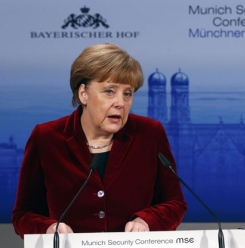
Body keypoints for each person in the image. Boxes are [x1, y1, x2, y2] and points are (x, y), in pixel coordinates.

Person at [12, 43, 187, 238]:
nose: (120, 103)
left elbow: (175, 203)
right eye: (109, 91)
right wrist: (48, 228)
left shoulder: (149, 134)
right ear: (83, 94)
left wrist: (146, 220)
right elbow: (23, 215)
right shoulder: (46, 138)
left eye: (127, 93)